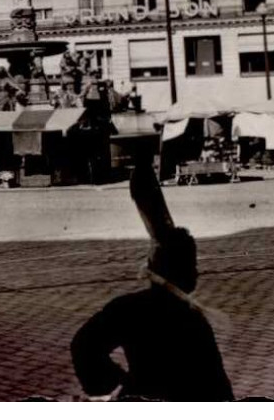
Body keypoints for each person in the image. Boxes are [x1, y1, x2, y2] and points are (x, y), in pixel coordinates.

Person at [71, 167, 233, 402]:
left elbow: (83, 346)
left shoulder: (128, 308)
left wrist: (119, 388)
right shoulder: (192, 321)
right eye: (193, 268)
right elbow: (217, 389)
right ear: (187, 275)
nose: (197, 275)